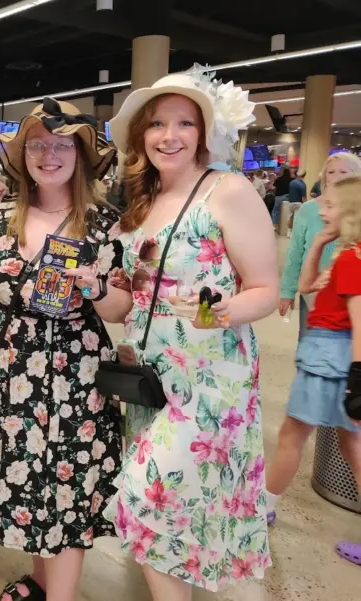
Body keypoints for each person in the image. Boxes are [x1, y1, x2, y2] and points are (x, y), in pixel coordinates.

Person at [102, 67, 277, 598]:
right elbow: (127, 301)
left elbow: (265, 288)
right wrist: (99, 286)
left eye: (184, 122)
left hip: (210, 384)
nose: (169, 135)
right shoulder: (139, 202)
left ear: (205, 131)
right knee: (168, 512)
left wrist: (221, 309)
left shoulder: (228, 190)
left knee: (146, 494)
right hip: (149, 380)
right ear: (141, 135)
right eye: (157, 123)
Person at [0, 98, 123, 601]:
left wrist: (96, 289)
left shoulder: (103, 223)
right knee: (29, 487)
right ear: (24, 156)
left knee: (67, 491)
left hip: (74, 381)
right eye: (38, 143)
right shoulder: (0, 217)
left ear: (81, 156)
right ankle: (41, 582)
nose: (50, 153)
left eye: (63, 144)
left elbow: (122, 307)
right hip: (14, 377)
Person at [265, 176, 361, 529]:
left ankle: (266, 507)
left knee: (292, 435)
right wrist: (319, 243)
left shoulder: (352, 259)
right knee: (352, 445)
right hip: (332, 357)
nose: (322, 209)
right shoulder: (347, 255)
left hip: (329, 360)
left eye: (331, 206)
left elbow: (358, 320)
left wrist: (358, 377)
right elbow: (307, 286)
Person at [277, 153, 361, 335]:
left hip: (350, 293)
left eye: (343, 172)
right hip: (314, 292)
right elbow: (295, 252)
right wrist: (287, 291)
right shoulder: (309, 210)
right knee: (311, 342)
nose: (336, 177)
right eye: (331, 172)